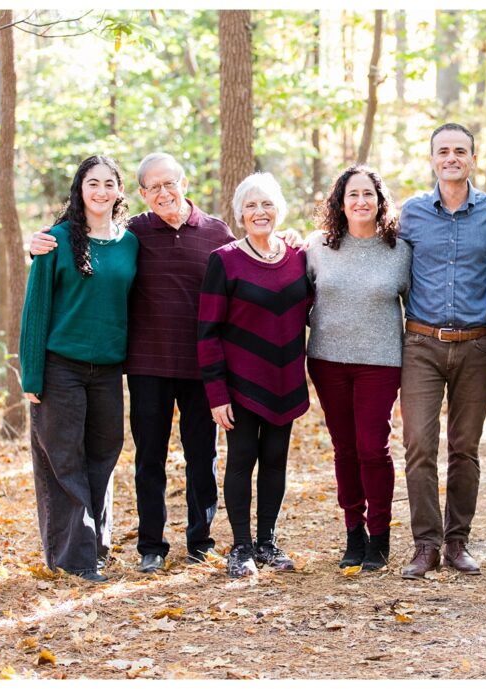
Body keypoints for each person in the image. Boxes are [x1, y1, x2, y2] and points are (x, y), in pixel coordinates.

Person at [31, 153, 298, 573]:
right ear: (139, 193)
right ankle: (151, 545)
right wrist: (39, 241)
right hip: (147, 364)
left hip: (202, 368)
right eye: (153, 187)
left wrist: (293, 240)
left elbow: (253, 259)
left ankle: (200, 540)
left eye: (169, 183)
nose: (163, 193)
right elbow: (88, 243)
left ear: (184, 183)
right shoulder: (133, 232)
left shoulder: (216, 232)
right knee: (149, 457)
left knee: (201, 457)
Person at [397, 124, 486, 579]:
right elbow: (371, 249)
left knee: (464, 448)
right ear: (431, 159)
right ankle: (425, 544)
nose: (451, 158)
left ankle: (456, 542)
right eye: (443, 151)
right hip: (421, 345)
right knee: (419, 445)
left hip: (476, 347)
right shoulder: (410, 214)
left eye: (460, 151)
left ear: (473, 159)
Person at [19, 155, 139, 583]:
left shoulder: (130, 243)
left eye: (109, 183)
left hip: (108, 369)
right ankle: (73, 559)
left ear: (120, 191)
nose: (101, 191)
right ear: (80, 189)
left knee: (103, 455)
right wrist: (31, 376)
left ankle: (95, 547)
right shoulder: (55, 241)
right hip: (60, 367)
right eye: (93, 183)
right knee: (64, 461)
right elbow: (36, 311)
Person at [198, 173, 310, 578]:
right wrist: (216, 393)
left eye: (266, 204)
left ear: (279, 209)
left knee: (276, 461)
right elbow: (207, 332)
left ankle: (267, 542)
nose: (259, 212)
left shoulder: (299, 257)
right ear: (240, 214)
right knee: (242, 461)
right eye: (250, 206)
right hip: (240, 385)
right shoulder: (224, 260)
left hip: (286, 380)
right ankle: (241, 547)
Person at [306, 165, 411, 572]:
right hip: (328, 360)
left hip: (380, 362)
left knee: (373, 447)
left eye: (369, 194)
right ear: (341, 202)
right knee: (345, 448)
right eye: (353, 194)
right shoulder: (317, 246)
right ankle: (354, 533)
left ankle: (380, 535)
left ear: (380, 200)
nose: (361, 201)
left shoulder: (400, 250)